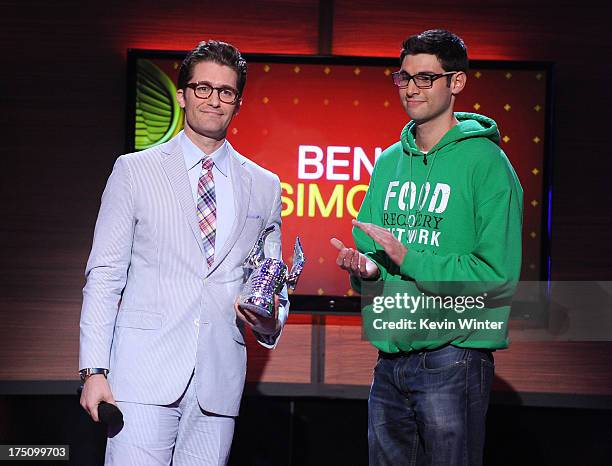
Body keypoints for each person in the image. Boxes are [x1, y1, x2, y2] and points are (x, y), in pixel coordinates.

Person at [79, 40, 289, 465]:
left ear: (239, 102)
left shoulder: (264, 184)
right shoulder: (135, 170)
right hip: (142, 374)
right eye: (203, 88)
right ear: (182, 95)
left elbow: (270, 278)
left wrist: (269, 317)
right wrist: (93, 370)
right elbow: (104, 274)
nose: (214, 99)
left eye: (226, 91)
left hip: (219, 377)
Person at [331, 29, 523, 465]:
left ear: (456, 82)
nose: (412, 88)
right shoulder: (387, 162)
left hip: (453, 358)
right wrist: (368, 270)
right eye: (404, 77)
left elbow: (497, 277)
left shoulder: (487, 164)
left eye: (425, 78)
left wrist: (408, 258)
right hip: (390, 359)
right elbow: (377, 254)